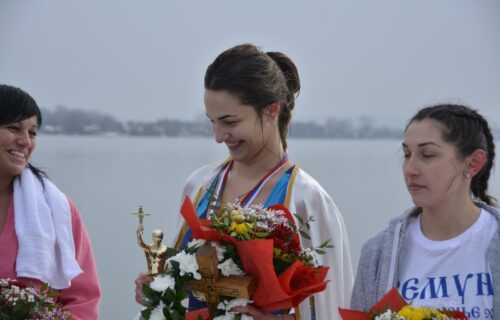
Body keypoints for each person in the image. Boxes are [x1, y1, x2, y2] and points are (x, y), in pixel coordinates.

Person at [135, 44, 353, 319]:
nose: (218, 135)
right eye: (212, 121)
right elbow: (183, 283)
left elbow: (328, 308)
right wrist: (158, 288)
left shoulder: (306, 199)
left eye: (230, 121)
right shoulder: (199, 184)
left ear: (272, 110)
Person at [351, 104, 498, 318]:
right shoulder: (377, 254)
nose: (410, 169)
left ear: (473, 163)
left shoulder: (492, 239)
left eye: (427, 155)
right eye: (406, 154)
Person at [0, 84, 101, 319]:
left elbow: (82, 299)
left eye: (32, 132)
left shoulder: (57, 209)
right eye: (14, 128)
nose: (26, 141)